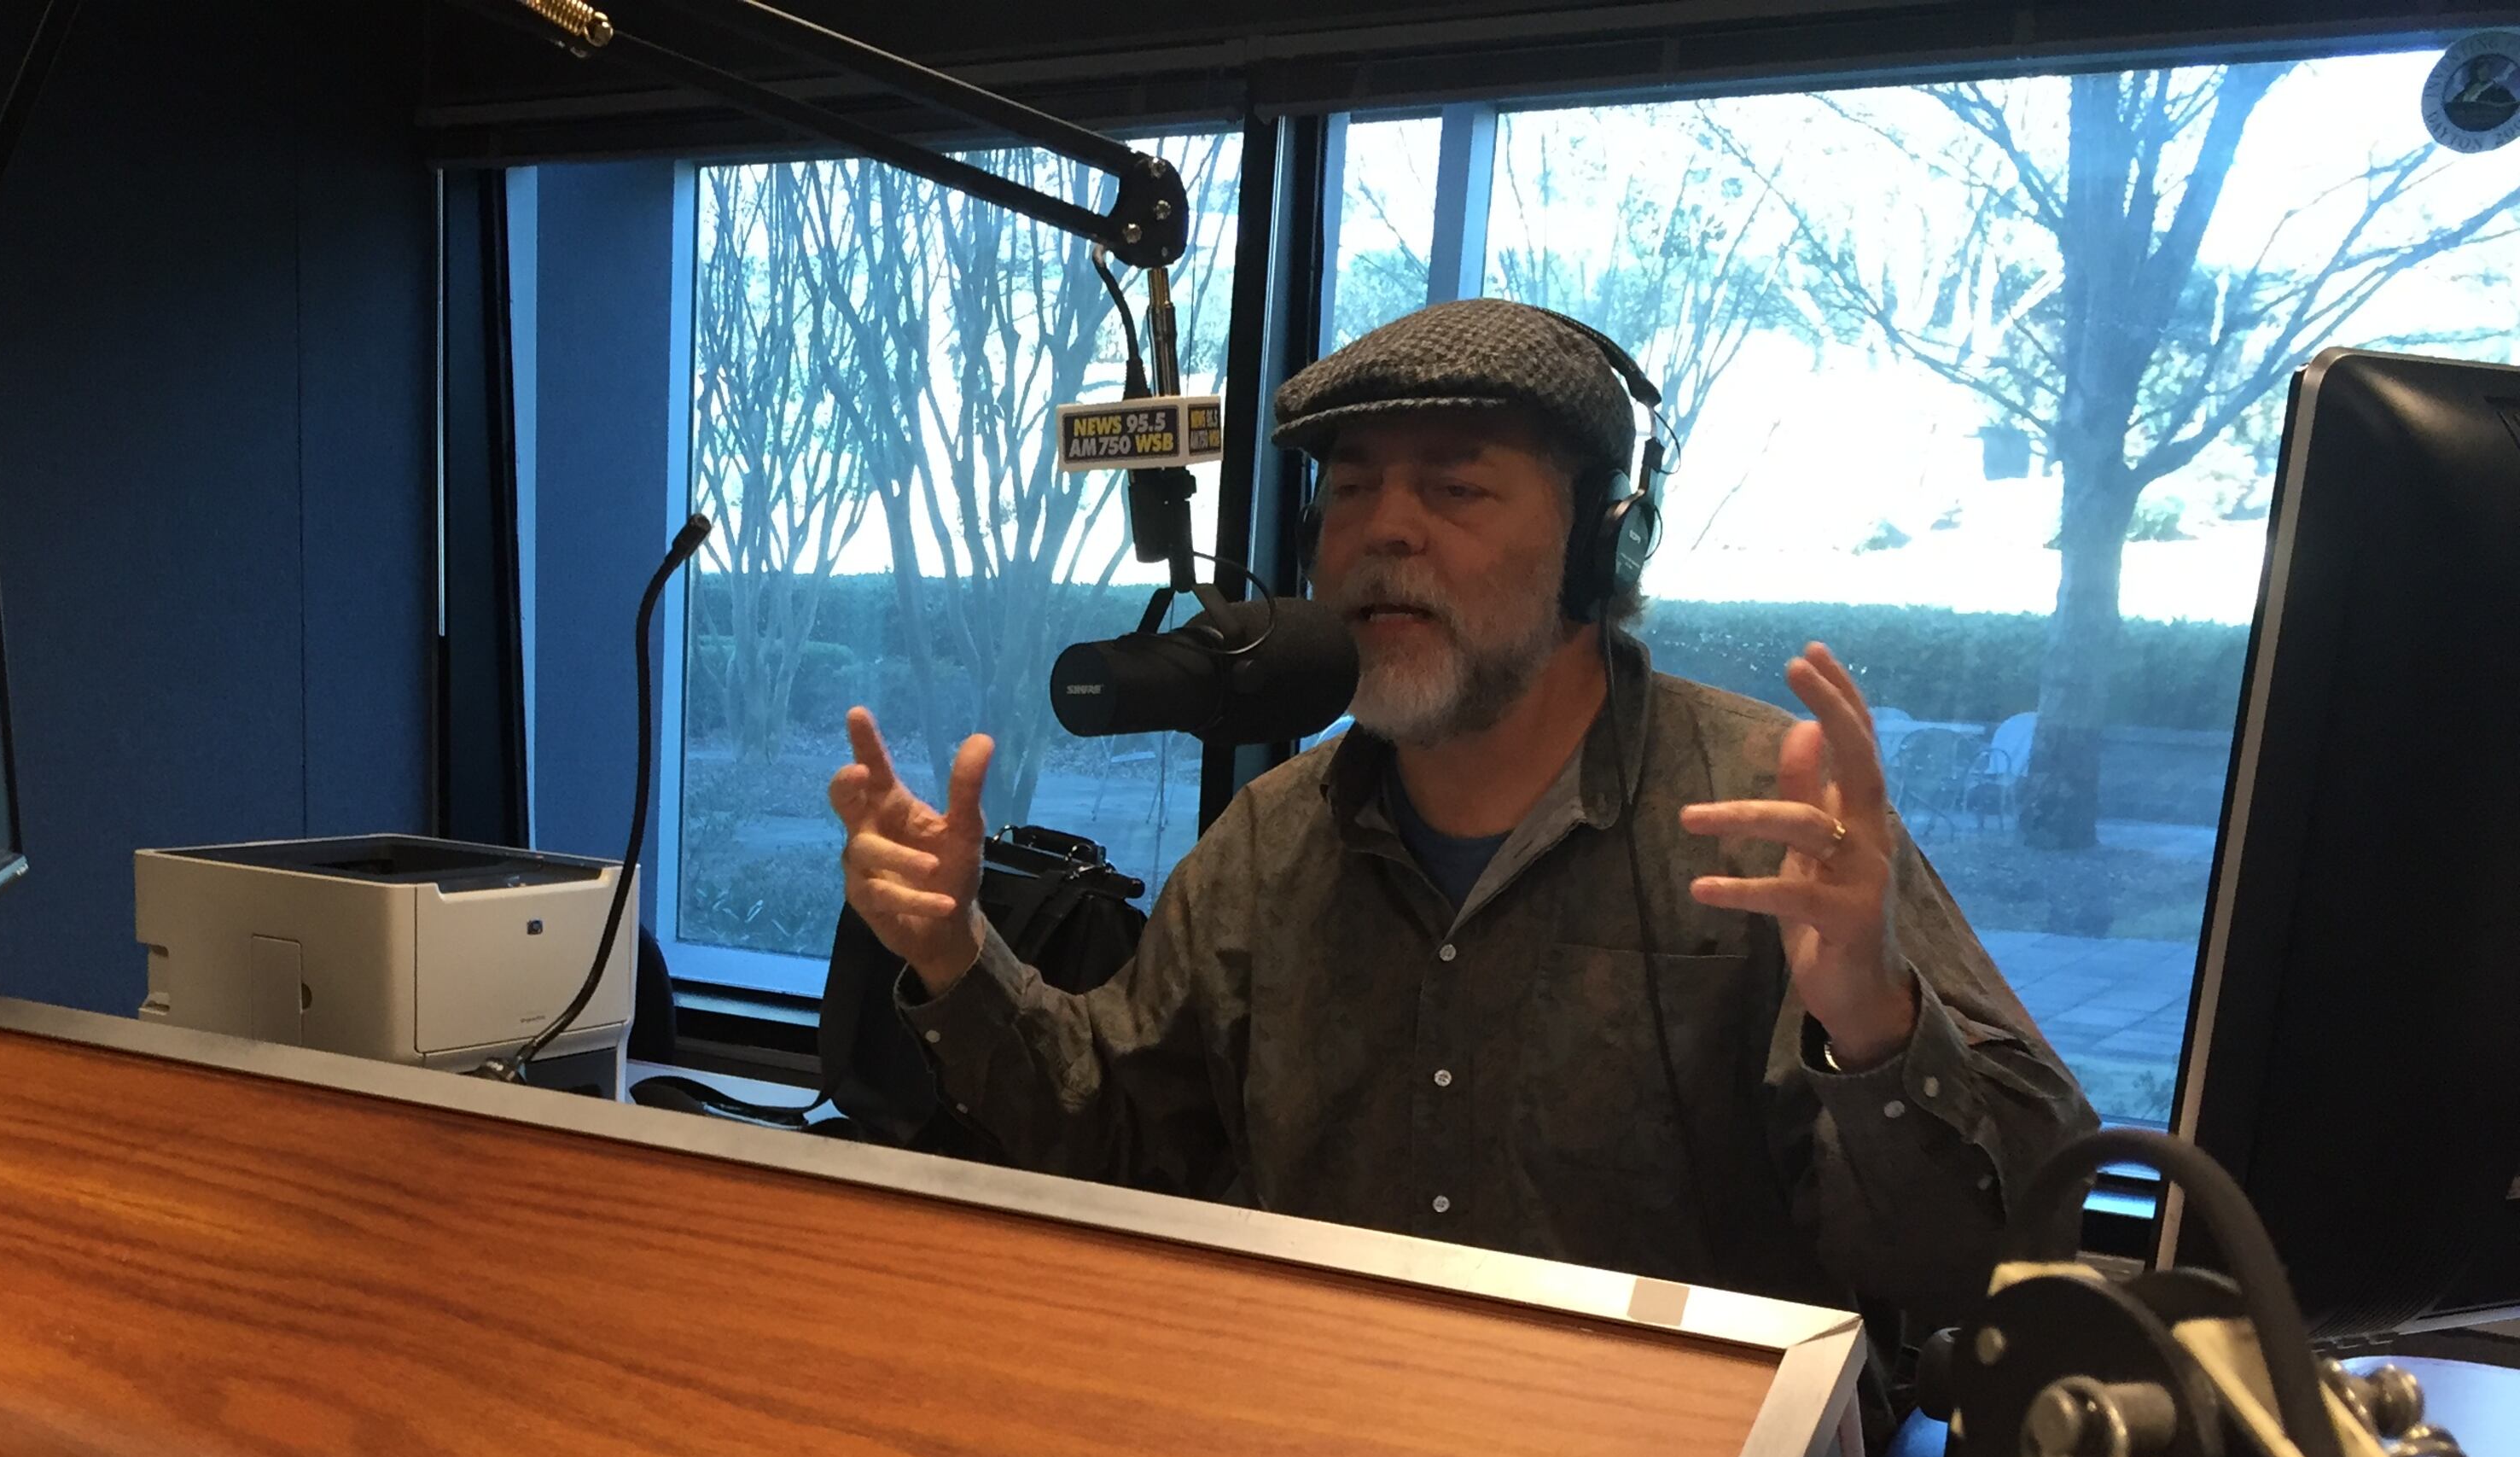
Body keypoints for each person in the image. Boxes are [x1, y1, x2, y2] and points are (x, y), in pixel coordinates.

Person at [827, 297, 2094, 1334]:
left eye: (1455, 489)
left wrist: (1874, 1028)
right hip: (1328, 1448)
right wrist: (954, 954)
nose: (1385, 531)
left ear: (1602, 549)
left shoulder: (1766, 816)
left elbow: (1992, 1259)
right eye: (1351, 491)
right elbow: (1116, 1136)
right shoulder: (1273, 838)